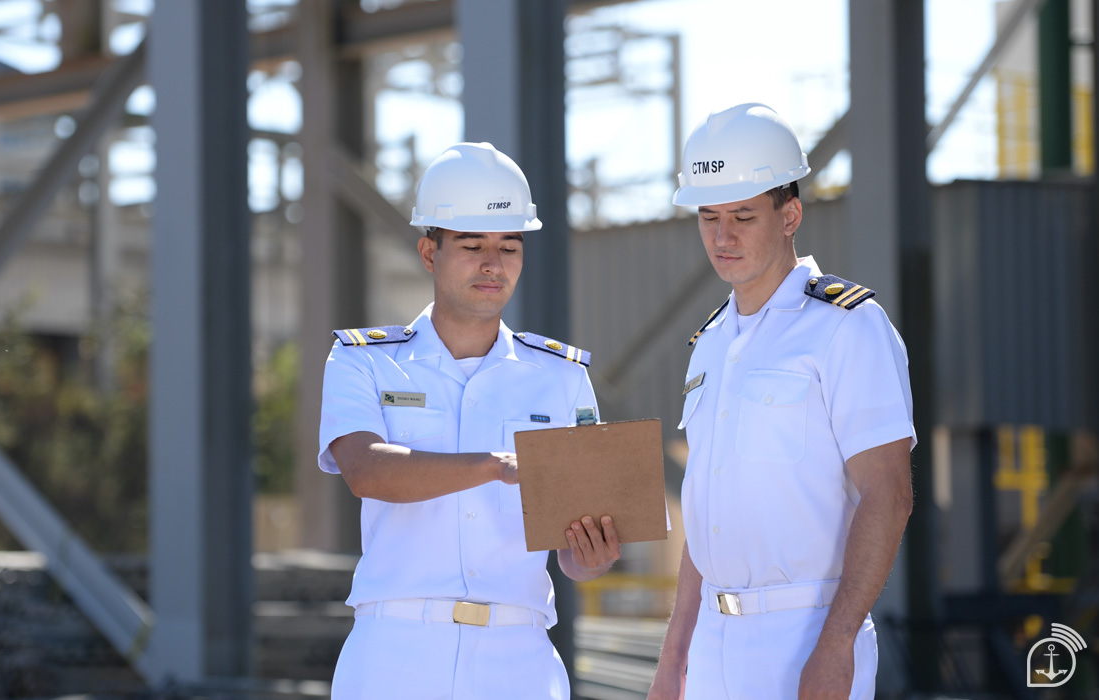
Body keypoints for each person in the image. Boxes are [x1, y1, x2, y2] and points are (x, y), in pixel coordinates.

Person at [318, 142, 622, 699]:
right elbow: (364, 470)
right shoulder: (364, 359)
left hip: (519, 659)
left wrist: (589, 558)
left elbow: (575, 550)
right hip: (395, 654)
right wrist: (497, 466)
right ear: (428, 252)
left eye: (509, 246)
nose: (493, 264)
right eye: (472, 244)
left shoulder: (561, 377)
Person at [647, 104, 916, 700]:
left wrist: (836, 645)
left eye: (743, 215)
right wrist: (674, 659)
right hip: (712, 644)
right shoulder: (711, 345)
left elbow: (889, 494)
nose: (723, 236)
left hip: (807, 631)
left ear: (789, 214)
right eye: (709, 216)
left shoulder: (848, 327)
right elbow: (707, 517)